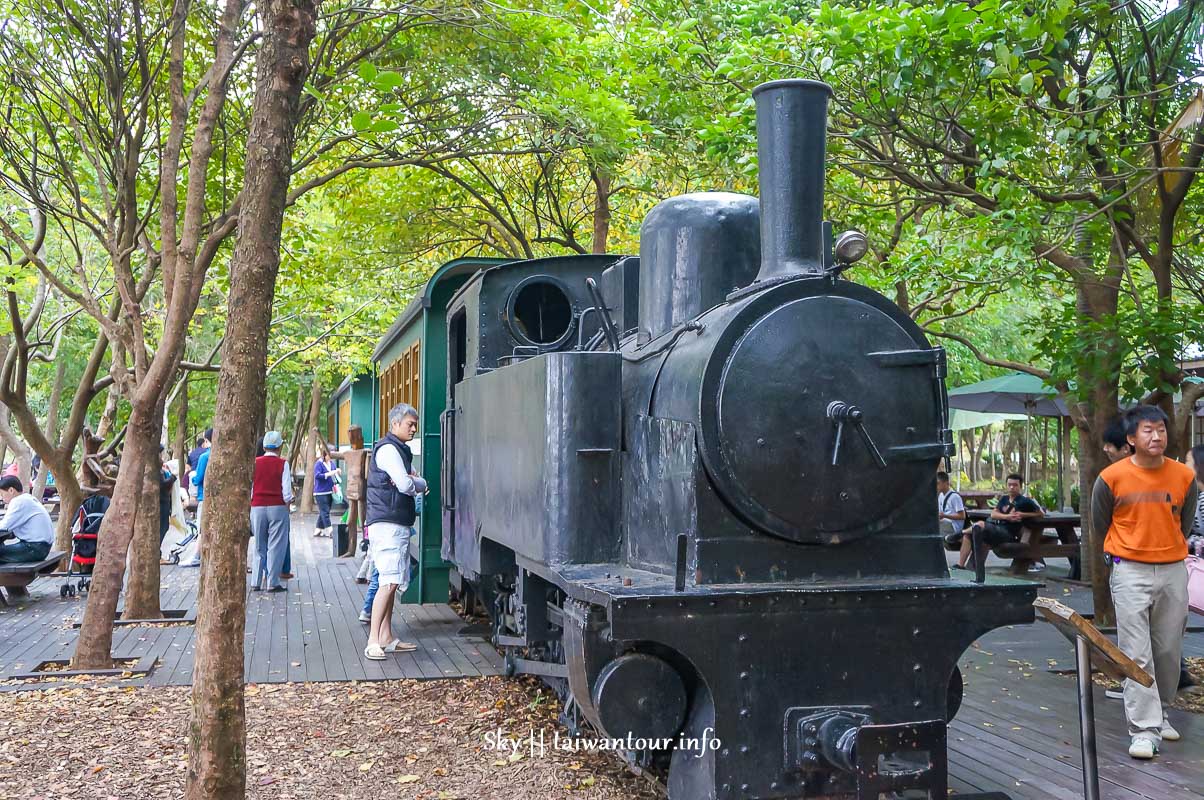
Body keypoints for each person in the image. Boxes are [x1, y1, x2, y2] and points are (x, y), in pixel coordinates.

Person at [1092, 405, 1198, 760]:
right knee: (1135, 650)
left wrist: (1168, 549)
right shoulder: (1111, 478)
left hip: (1172, 569)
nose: (1157, 436)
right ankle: (1144, 730)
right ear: (1131, 438)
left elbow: (1184, 522)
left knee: (1168, 649)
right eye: (1148, 431)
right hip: (1129, 570)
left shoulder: (1184, 476)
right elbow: (1100, 522)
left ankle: (1163, 711)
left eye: (1161, 430)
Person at [363, 403, 426, 659]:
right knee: (388, 581)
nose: (414, 428)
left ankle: (386, 636)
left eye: (415, 424)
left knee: (393, 580)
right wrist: (417, 482)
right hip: (387, 522)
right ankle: (373, 640)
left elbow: (410, 480)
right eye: (410, 424)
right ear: (395, 424)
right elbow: (405, 483)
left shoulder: (397, 450)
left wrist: (414, 480)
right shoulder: (389, 450)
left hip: (394, 521)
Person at [956, 473, 1042, 569]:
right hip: (996, 528)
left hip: (1008, 533)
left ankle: (960, 533)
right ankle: (961, 565)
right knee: (970, 534)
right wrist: (1007, 517)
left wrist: (1023, 514)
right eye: (1009, 485)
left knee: (980, 524)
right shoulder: (1004, 499)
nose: (1012, 487)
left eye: (1015, 485)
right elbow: (993, 514)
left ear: (1020, 486)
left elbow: (1040, 513)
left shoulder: (1025, 501)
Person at [251, 431, 294, 592]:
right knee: (276, 545)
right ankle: (272, 582)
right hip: (277, 507)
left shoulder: (254, 463)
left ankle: (255, 581)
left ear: (264, 446)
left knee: (258, 545)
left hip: (257, 506)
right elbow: (287, 492)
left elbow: (251, 487)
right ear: (279, 446)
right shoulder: (283, 464)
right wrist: (287, 507)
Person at [0, 476, 54, 564]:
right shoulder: (27, 498)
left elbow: (4, 526)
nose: (2, 498)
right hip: (41, 547)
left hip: (35, 548)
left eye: (2, 494)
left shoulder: (18, 502)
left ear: (11, 490)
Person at [183, 429, 212, 567]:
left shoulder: (205, 456)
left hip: (204, 496)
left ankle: (196, 556)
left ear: (206, 440)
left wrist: (192, 477)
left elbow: (198, 478)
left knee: (201, 528)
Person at [313, 450, 340, 538]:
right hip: (321, 492)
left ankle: (318, 530)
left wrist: (337, 471)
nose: (330, 457)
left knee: (325, 511)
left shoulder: (331, 463)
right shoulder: (319, 464)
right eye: (329, 455)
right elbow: (317, 475)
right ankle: (330, 530)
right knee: (325, 512)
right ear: (324, 455)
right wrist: (328, 474)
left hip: (330, 491)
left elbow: (334, 471)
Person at [937, 471, 966, 544]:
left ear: (946, 483)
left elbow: (962, 516)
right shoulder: (940, 496)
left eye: (938, 483)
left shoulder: (955, 497)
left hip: (954, 526)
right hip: (945, 523)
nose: (936, 486)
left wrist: (945, 515)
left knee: (932, 528)